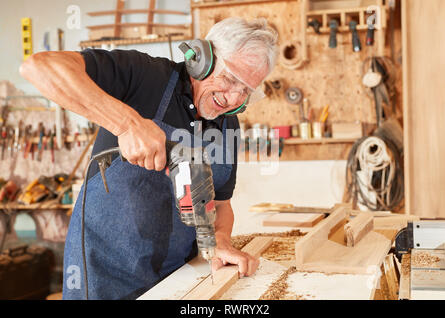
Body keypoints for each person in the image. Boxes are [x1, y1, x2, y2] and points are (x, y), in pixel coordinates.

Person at [20, 17, 278, 300]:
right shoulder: (145, 77)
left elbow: (221, 204)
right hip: (103, 280)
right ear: (201, 58)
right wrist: (127, 124)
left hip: (179, 282)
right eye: (229, 80)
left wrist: (220, 241)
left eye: (245, 91)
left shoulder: (228, 125)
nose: (232, 99)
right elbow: (38, 67)